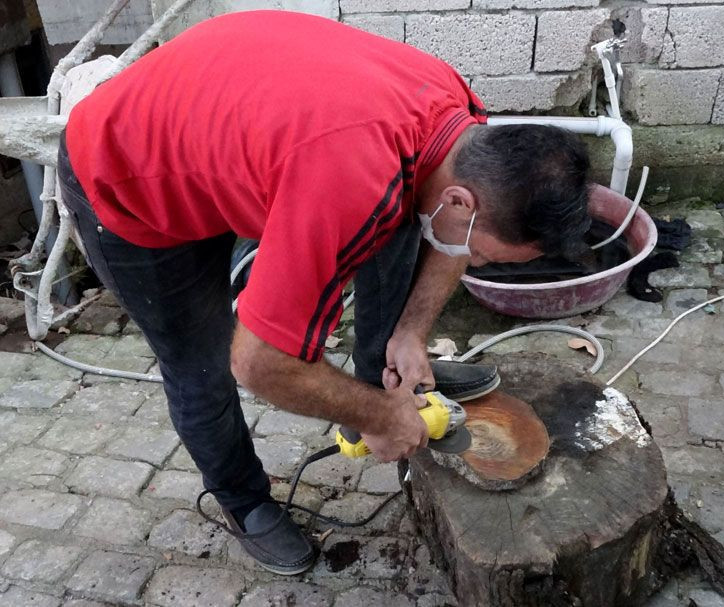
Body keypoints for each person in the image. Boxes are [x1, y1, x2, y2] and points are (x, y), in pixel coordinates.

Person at [57, 10, 591, 575]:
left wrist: (411, 332)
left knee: (401, 217)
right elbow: (260, 362)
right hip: (122, 177)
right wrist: (384, 420)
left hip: (220, 138)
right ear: (461, 202)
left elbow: (445, 235)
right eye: (482, 253)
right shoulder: (350, 181)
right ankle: (245, 502)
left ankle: (383, 372)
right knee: (201, 363)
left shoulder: (460, 119)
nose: (470, 260)